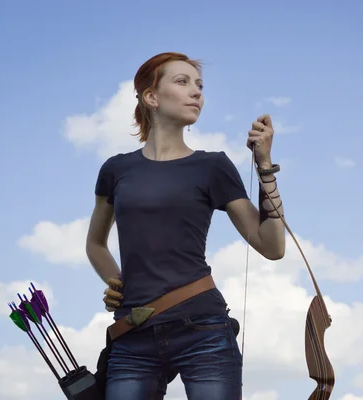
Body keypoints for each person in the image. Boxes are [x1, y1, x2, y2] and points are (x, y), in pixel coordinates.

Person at [85, 52, 286, 400]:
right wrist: (115, 282)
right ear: (151, 96)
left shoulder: (213, 167)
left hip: (203, 328)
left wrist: (264, 165)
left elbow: (272, 246)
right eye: (182, 82)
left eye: (200, 85)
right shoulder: (116, 170)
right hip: (133, 334)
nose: (196, 92)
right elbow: (96, 244)